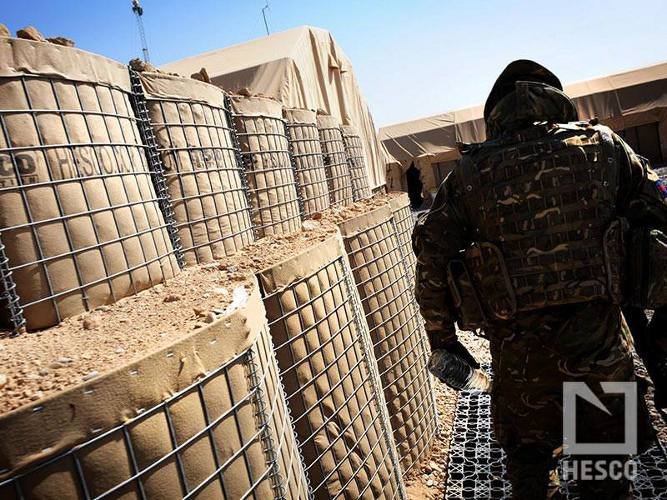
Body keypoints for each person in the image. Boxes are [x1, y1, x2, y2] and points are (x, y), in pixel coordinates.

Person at [413, 59, 667, 499]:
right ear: (558, 99)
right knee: (604, 483)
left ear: (496, 112)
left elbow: (431, 257)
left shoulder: (470, 174)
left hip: (520, 369)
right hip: (601, 358)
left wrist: (443, 340)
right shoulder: (605, 147)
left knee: (530, 482)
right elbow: (658, 215)